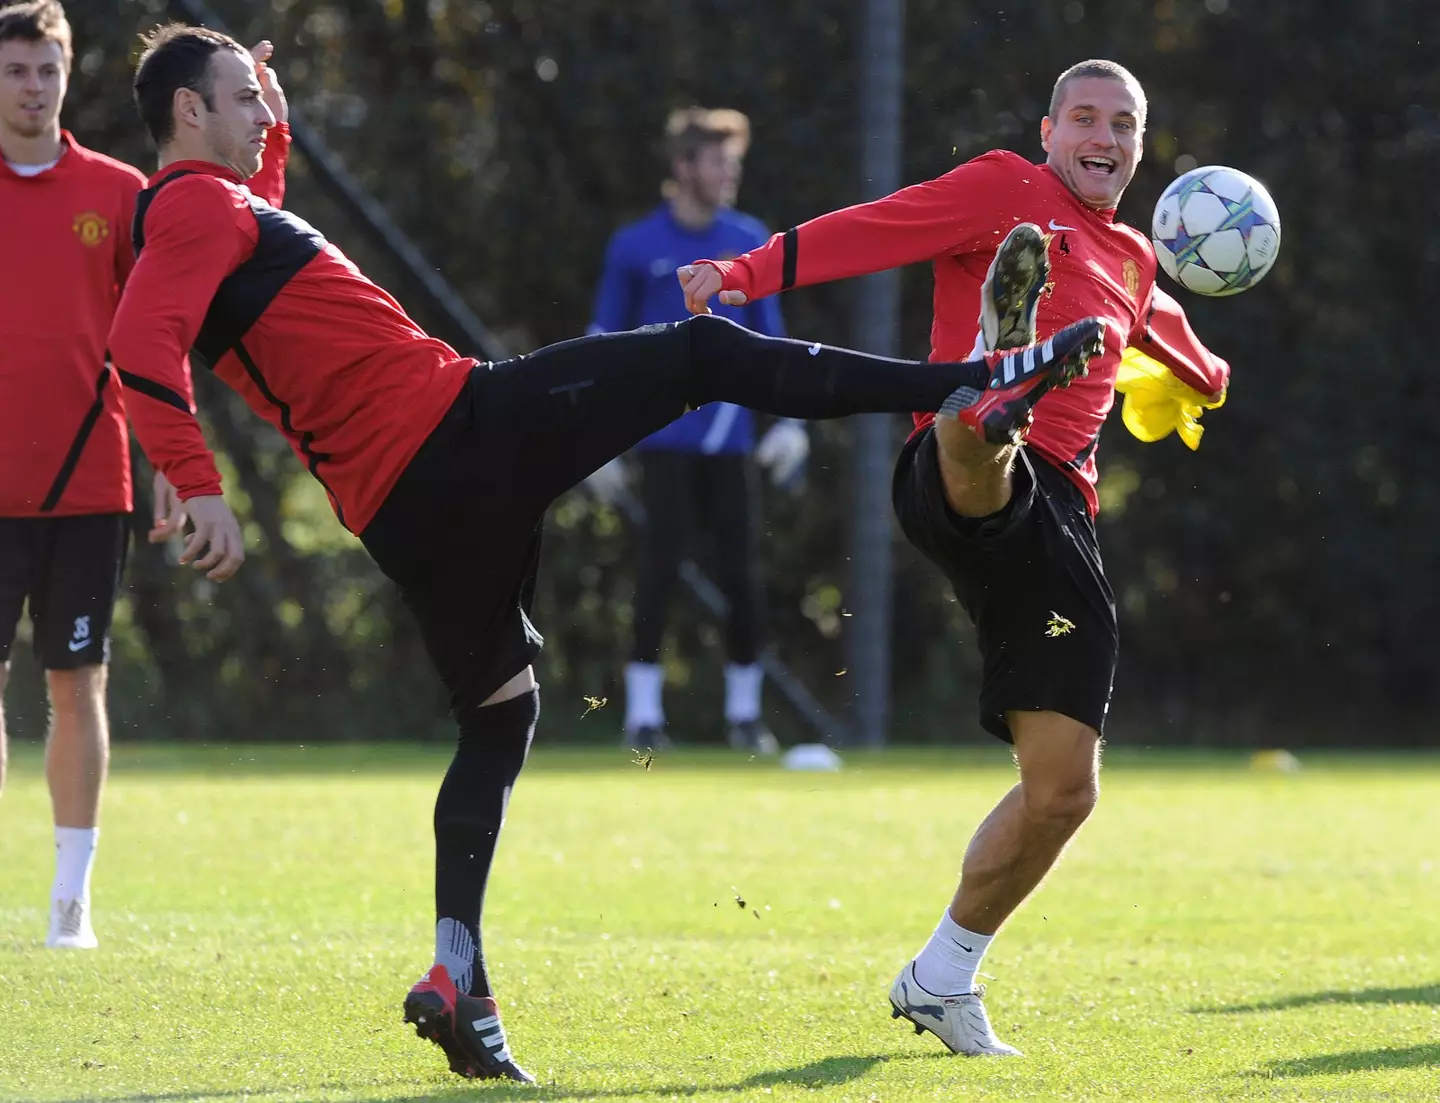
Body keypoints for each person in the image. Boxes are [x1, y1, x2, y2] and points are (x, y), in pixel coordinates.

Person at [108, 23, 1103, 1082]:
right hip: (455, 429)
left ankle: (461, 976)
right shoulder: (198, 207)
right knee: (708, 352)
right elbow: (137, 343)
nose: (259, 112)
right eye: (240, 97)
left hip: (399, 512)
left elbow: (234, 233)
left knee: (501, 714)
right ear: (186, 112)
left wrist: (275, 107)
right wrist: (201, 484)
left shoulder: (209, 215)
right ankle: (962, 382)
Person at [680, 58, 1230, 1057]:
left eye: (1125, 126)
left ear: (1144, 147)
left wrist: (1205, 375)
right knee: (984, 442)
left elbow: (1180, 350)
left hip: (1059, 527)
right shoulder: (1006, 188)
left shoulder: (1138, 260)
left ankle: (943, 974)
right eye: (1087, 119)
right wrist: (743, 271)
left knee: (1065, 786)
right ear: (1051, 128)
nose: (1105, 139)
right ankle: (990, 384)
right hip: (958, 466)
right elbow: (874, 226)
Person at [0, 0, 177, 951]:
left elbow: (154, 338)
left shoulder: (116, 193)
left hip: (88, 484)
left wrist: (170, 458)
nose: (32, 88)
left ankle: (71, 902)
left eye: (47, 71)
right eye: (17, 70)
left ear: (68, 77)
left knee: (78, 685)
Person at [587, 106, 807, 754]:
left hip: (730, 442)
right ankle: (643, 718)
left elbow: (774, 339)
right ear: (683, 167)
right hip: (662, 441)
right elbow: (604, 343)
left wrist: (790, 420)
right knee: (658, 571)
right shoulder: (634, 246)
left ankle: (745, 716)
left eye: (734, 161)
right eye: (717, 161)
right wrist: (593, 436)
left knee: (741, 574)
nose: (729, 172)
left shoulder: (748, 237)